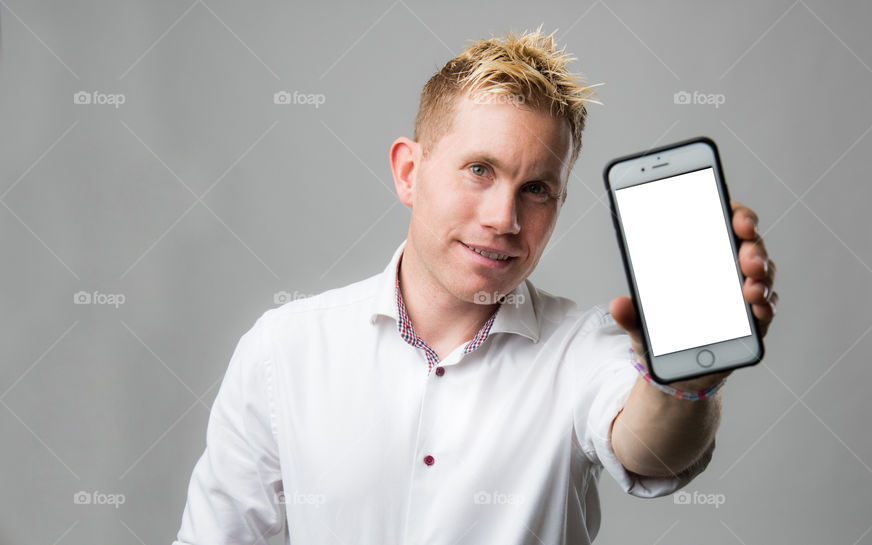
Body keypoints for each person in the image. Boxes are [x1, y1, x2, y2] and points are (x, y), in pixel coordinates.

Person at [173, 26, 777, 545]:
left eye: (537, 189)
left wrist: (684, 384)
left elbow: (651, 453)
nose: (504, 218)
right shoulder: (284, 350)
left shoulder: (584, 348)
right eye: (479, 170)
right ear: (410, 172)